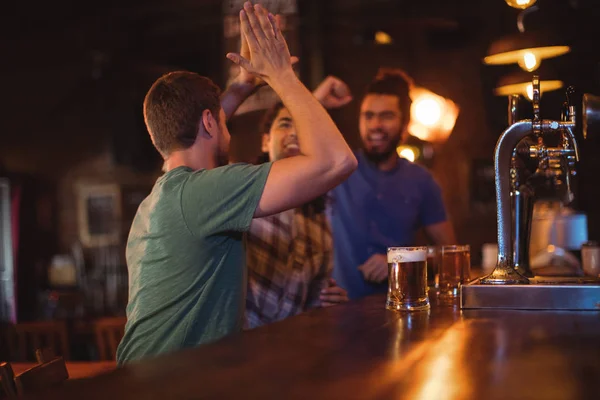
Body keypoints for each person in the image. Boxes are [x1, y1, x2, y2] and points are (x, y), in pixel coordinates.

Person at [116, 2, 357, 364]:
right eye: (222, 122)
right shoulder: (206, 190)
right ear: (211, 124)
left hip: (142, 379)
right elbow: (338, 161)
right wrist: (281, 76)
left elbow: (196, 127)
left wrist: (244, 84)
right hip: (169, 385)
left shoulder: (166, 195)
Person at [329, 68, 456, 300]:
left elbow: (450, 253)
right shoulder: (338, 170)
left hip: (401, 308)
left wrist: (398, 258)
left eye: (386, 116)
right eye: (368, 116)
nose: (375, 125)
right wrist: (316, 100)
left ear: (405, 124)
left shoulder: (422, 180)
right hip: (338, 313)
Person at [245, 76, 352, 328]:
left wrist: (331, 302)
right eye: (284, 124)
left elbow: (314, 299)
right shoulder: (242, 194)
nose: (294, 133)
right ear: (265, 141)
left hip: (295, 348)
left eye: (299, 129)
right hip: (240, 349)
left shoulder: (320, 216)